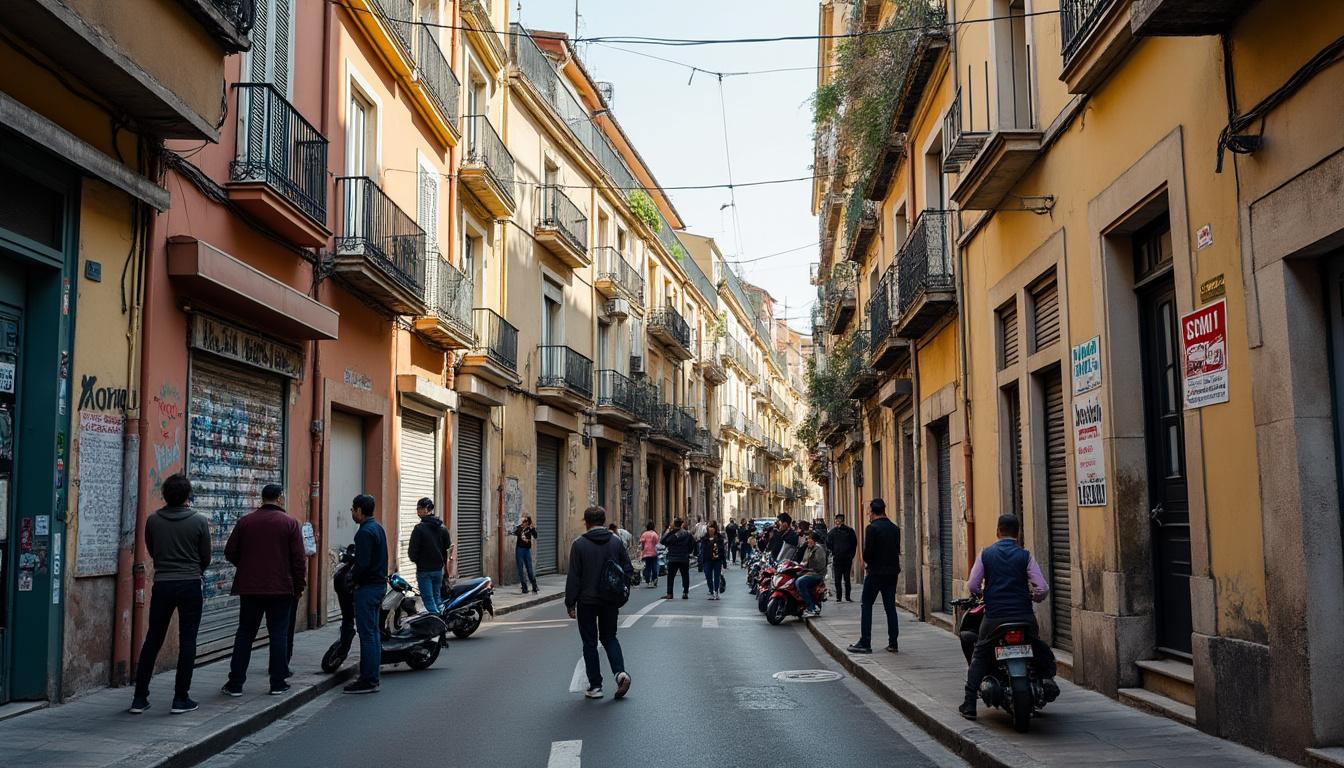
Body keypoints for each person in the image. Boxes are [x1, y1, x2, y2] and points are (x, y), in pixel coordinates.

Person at [959, 514, 1059, 720]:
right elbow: (1042, 587)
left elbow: (972, 585)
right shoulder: (1025, 556)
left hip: (995, 616)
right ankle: (1044, 681)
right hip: (1023, 616)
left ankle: (969, 704)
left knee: (980, 654)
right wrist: (1034, 597)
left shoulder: (985, 554)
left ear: (997, 532)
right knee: (1036, 646)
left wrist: (979, 595)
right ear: (1018, 533)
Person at [129, 474, 211, 715]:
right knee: (188, 640)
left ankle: (139, 697)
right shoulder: (199, 521)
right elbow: (205, 556)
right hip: (190, 584)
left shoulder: (153, 521)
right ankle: (180, 698)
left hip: (163, 584)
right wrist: (194, 568)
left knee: (153, 638)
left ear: (164, 495)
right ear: (188, 496)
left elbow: (152, 549)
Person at [222, 484, 305, 697]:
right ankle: (277, 683)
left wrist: (247, 565)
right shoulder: (290, 524)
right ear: (279, 498)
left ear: (263, 498)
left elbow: (230, 551)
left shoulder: (246, 522)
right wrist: (299, 586)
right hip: (281, 588)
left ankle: (235, 684)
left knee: (245, 634)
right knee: (278, 633)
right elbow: (298, 560)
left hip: (250, 588)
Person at [565, 505, 633, 699]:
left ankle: (595, 686)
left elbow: (574, 577)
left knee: (590, 643)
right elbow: (628, 570)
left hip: (587, 601)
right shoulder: (616, 542)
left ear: (586, 522)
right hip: (610, 599)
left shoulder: (579, 545)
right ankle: (620, 674)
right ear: (603, 521)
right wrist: (619, 589)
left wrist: (570, 603)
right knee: (610, 637)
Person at [847, 499, 901, 655]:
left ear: (873, 512)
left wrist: (868, 561)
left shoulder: (872, 529)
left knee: (867, 605)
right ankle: (893, 643)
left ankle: (865, 642)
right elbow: (897, 550)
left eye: (869, 512)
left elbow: (867, 554)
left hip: (876, 572)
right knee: (890, 608)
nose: (868, 515)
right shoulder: (894, 528)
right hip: (892, 573)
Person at [345, 494, 387, 694]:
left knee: (367, 634)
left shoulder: (364, 533)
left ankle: (369, 679)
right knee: (373, 633)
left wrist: (353, 580)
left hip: (368, 588)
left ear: (360, 510)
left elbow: (363, 564)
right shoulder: (377, 527)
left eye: (353, 509)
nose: (352, 513)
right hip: (378, 586)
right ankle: (372, 676)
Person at [408, 497, 451, 614]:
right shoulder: (442, 528)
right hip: (438, 570)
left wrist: (418, 560)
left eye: (420, 508)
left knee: (428, 600)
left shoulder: (419, 529)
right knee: (437, 598)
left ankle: (438, 623)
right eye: (417, 508)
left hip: (424, 571)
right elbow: (446, 548)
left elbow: (412, 553)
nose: (418, 511)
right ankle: (443, 619)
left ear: (427, 509)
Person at [797, 530, 829, 618]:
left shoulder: (819, 549)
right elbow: (803, 560)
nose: (807, 540)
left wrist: (809, 563)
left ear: (814, 540)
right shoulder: (808, 548)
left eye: (809, 539)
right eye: (807, 539)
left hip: (817, 573)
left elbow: (820, 564)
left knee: (800, 582)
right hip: (808, 571)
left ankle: (811, 608)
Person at [826, 513, 858, 602]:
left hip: (846, 558)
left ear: (841, 520)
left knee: (845, 579)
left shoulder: (849, 531)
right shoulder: (833, 532)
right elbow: (828, 543)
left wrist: (851, 555)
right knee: (839, 579)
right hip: (839, 558)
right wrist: (834, 551)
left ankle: (845, 597)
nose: (837, 521)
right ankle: (840, 597)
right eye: (836, 519)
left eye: (838, 519)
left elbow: (854, 543)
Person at [661, 518, 695, 600]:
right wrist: (688, 552)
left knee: (671, 577)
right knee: (685, 575)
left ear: (674, 524)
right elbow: (692, 544)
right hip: (684, 557)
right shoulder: (687, 534)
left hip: (673, 558)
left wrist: (669, 530)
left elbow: (662, 541)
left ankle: (670, 594)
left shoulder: (672, 533)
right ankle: (685, 593)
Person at [698, 522, 729, 600]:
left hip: (717, 560)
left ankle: (716, 592)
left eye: (712, 527)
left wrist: (724, 562)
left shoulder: (719, 538)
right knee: (708, 575)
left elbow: (722, 551)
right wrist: (701, 562)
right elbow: (702, 551)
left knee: (716, 576)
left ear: (715, 529)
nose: (711, 529)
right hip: (707, 560)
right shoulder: (704, 538)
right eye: (709, 527)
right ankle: (711, 590)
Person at [513, 515, 540, 594]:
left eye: (525, 521)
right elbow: (515, 532)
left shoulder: (530, 529)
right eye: (523, 521)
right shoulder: (519, 528)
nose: (523, 522)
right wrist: (519, 529)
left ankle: (534, 585)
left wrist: (533, 529)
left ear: (528, 522)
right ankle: (524, 588)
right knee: (520, 569)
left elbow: (535, 536)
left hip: (527, 550)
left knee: (529, 569)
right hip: (519, 550)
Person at [639, 521, 660, 588]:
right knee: (654, 566)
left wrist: (642, 550)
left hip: (646, 553)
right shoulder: (654, 534)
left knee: (648, 567)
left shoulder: (644, 534)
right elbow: (657, 543)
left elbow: (642, 543)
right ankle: (654, 579)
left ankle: (648, 580)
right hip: (654, 552)